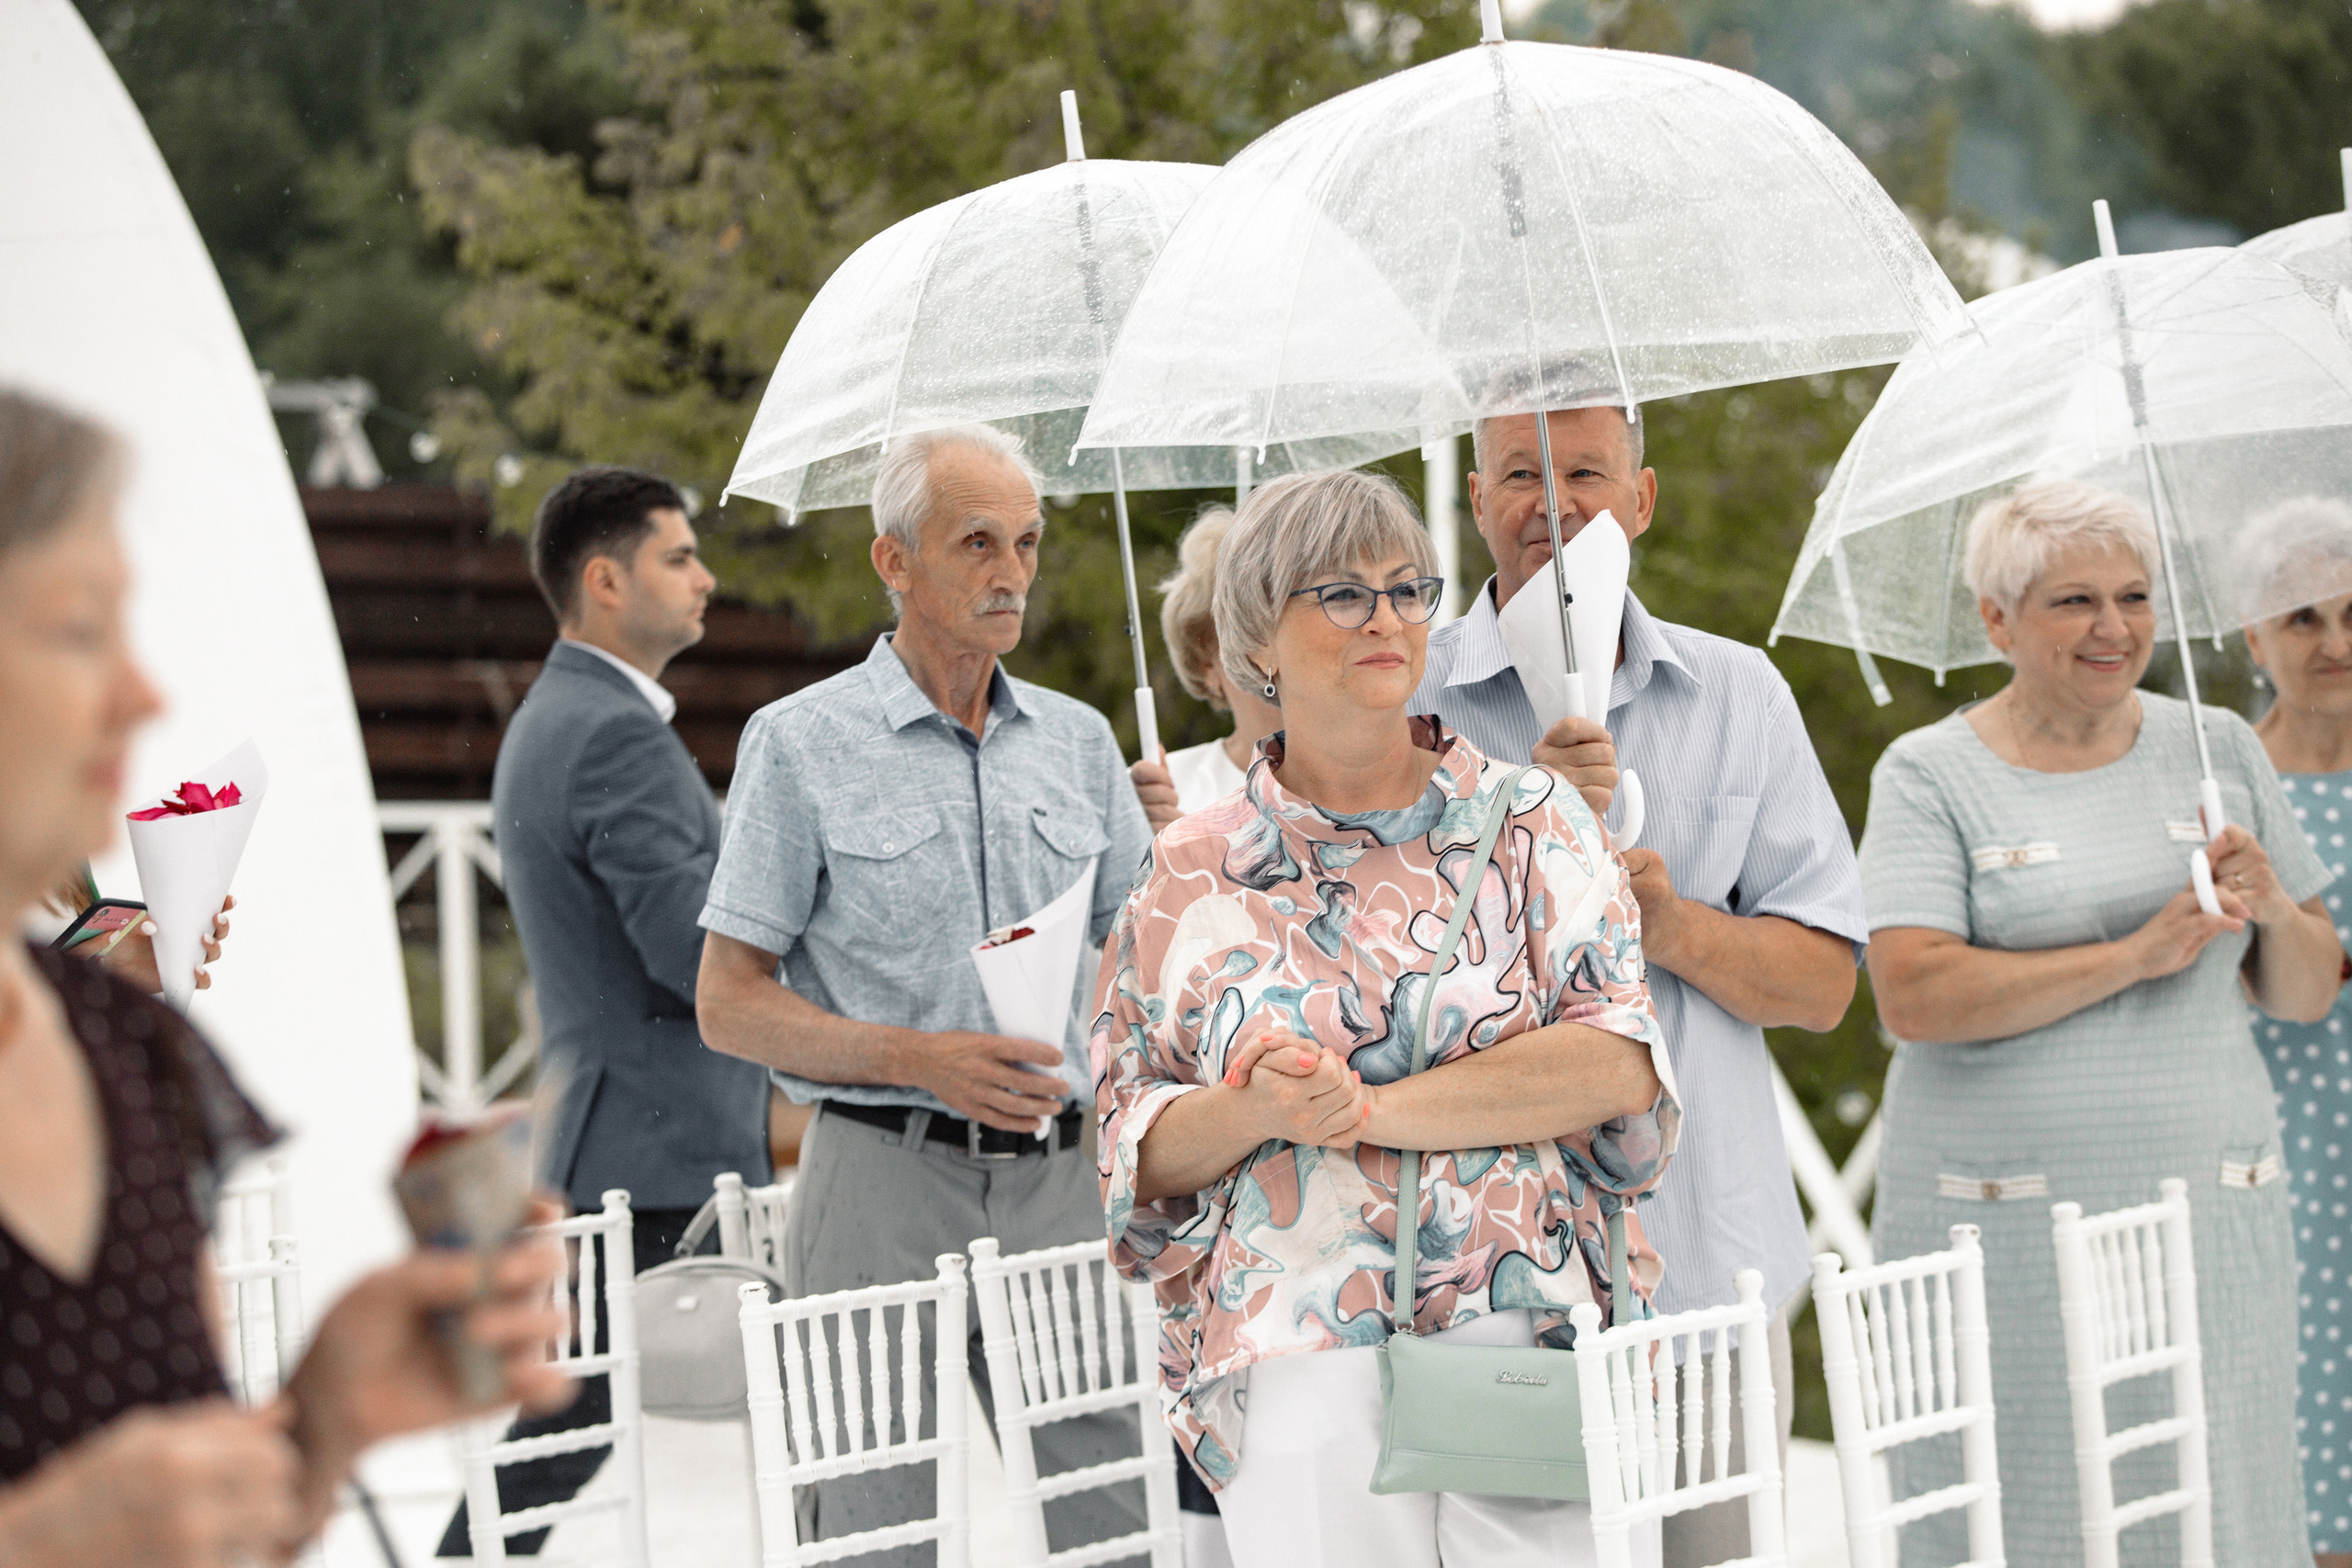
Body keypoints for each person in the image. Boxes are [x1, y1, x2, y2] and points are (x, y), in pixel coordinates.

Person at [0, 384, 571, 1567]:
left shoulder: (129, 1049)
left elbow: (199, 1531)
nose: (143, 693)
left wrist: (323, 1425)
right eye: (76, 628)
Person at [1092, 468, 1679, 1567]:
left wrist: (1367, 1108)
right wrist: (1254, 1106)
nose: (1390, 619)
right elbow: (1134, 1141)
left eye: (1410, 590)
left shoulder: (1533, 822)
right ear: (1258, 636)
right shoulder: (1186, 870)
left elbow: (1616, 1061)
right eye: (1344, 593)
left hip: (1521, 1320)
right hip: (1294, 1346)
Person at [1407, 406, 1862, 1562]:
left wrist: (1668, 925)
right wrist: (1521, 826)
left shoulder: (1739, 693)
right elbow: (1384, 990)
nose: (1551, 503)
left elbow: (1821, 987)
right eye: (1517, 473)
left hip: (1705, 1262)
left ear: (1643, 499)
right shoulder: (1405, 703)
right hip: (1491, 1280)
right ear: (1473, 503)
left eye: (1586, 474)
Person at [1859, 479, 2343, 1566]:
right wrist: (2131, 958)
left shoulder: (2217, 748)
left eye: (2133, 596)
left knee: (2214, 1498)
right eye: (2074, 601)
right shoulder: (1930, 773)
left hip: (2207, 1220)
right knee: (2025, 1499)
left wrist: (2268, 901)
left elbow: (2307, 991)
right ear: (1997, 620)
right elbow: (1912, 994)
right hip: (2003, 1222)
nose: (2113, 628)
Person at [695, 423, 1155, 1560]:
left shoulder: (1083, 745)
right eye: (977, 543)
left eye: (1028, 544)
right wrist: (919, 1056)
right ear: (893, 562)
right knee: (870, 1523)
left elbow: (1152, 962)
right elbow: (729, 1001)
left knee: (1111, 1520)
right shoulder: (797, 745)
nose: (1012, 574)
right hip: (875, 1176)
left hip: (1059, 1182)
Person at [438, 466, 775, 1555]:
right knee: (560, 1435)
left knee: (561, 1433)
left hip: (625, 1134)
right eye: (677, 557)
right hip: (659, 1146)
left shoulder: (563, 715)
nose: (705, 578)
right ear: (603, 579)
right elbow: (690, 954)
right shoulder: (611, 733)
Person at [2240, 496, 2352, 1565]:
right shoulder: (2229, 783)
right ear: (2253, 634)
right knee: (2303, 1398)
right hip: (2287, 1139)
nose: (2335, 643)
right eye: (2304, 619)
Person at [1130, 508, 1285, 833]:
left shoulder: (1385, 785)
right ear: (1206, 665)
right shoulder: (1160, 791)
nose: (1278, 653)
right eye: (1248, 633)